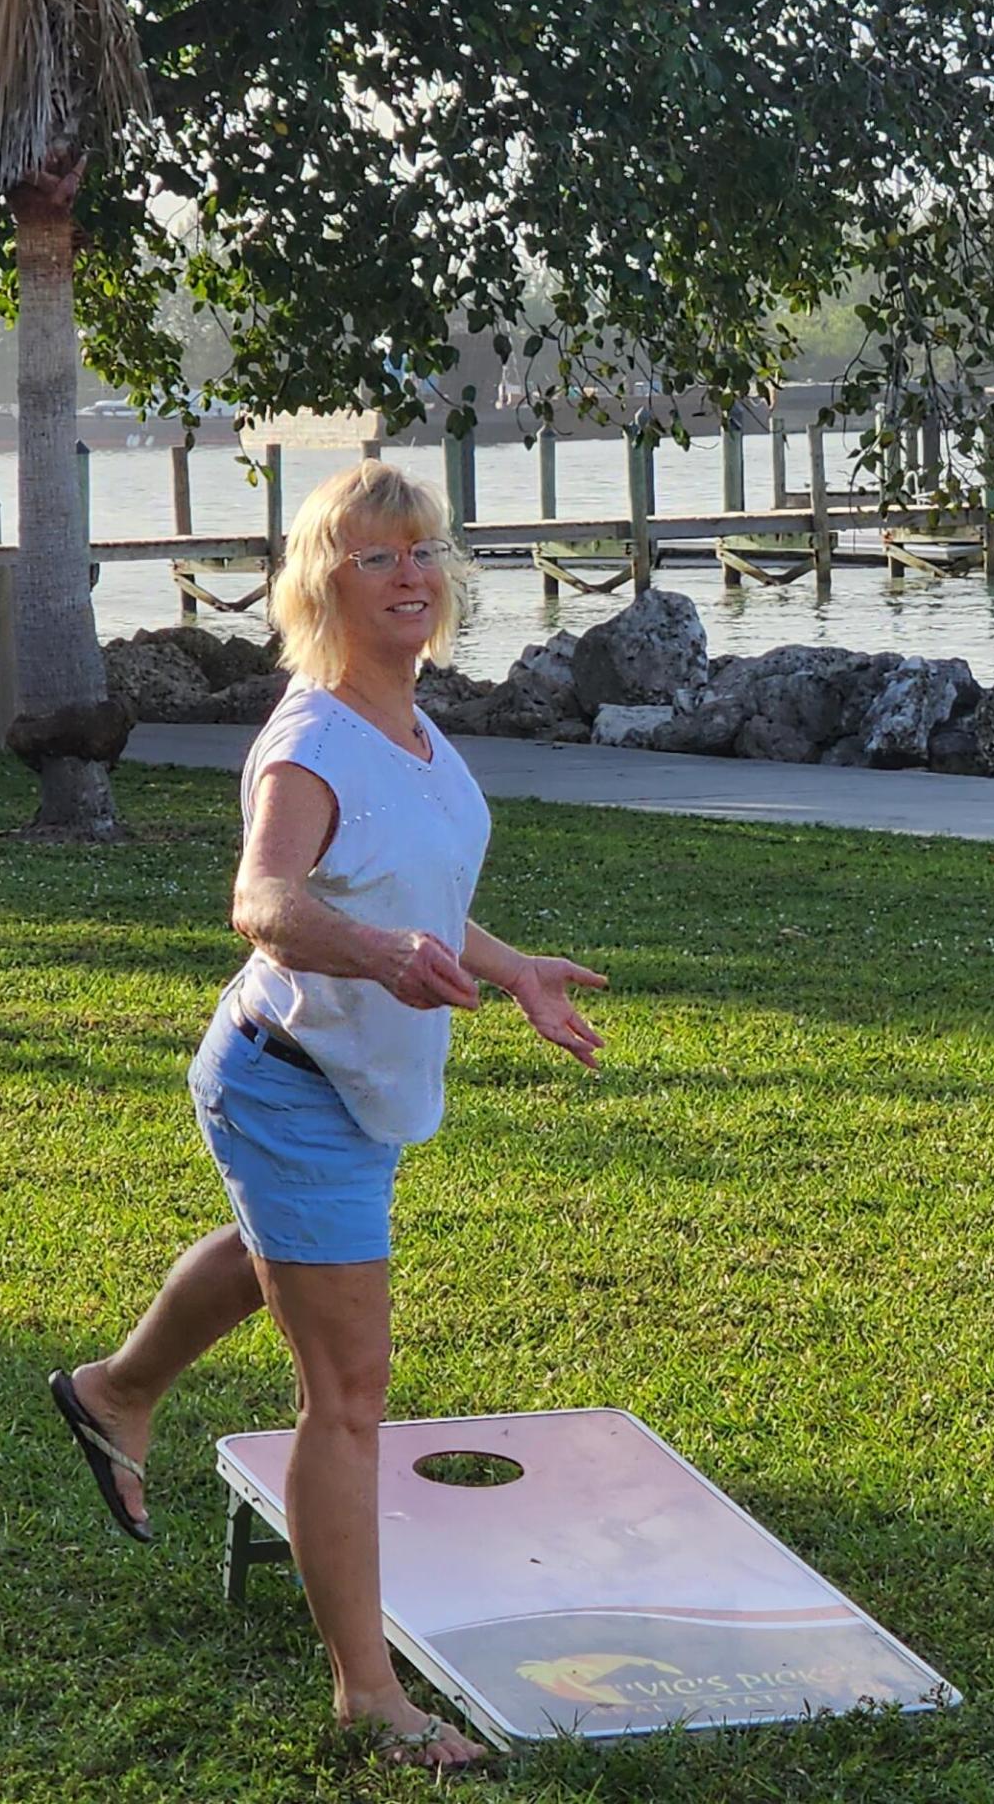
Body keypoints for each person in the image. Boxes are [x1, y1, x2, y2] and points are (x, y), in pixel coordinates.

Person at [46, 462, 607, 1770]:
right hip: (291, 1083)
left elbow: (403, 877)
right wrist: (373, 953)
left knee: (275, 1261)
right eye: (375, 557)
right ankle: (369, 1697)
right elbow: (268, 904)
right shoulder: (311, 742)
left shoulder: (411, 727)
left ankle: (113, 1392)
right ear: (320, 584)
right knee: (348, 1390)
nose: (410, 575)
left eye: (422, 552)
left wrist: (505, 964)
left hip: (333, 1083)